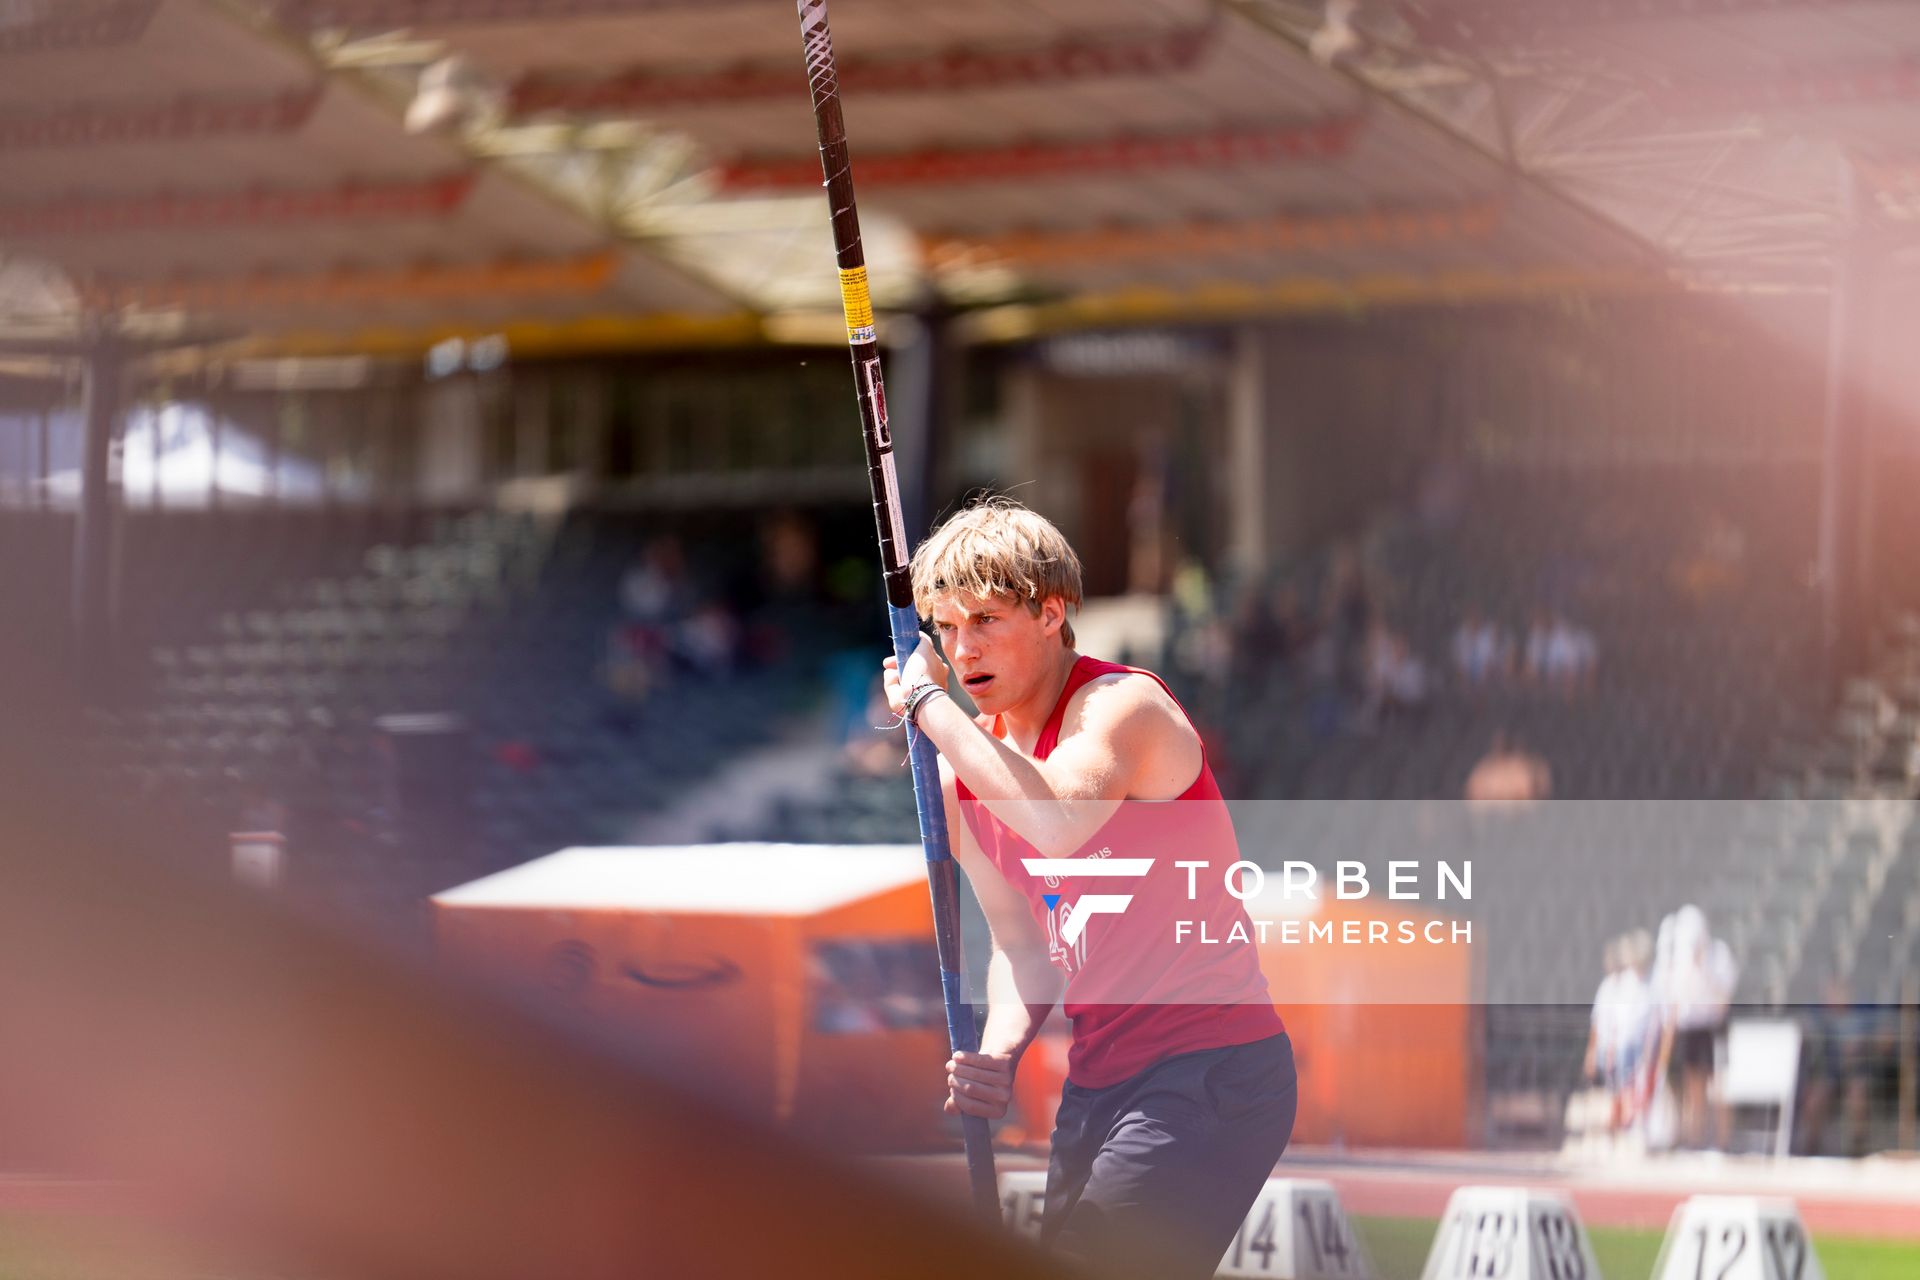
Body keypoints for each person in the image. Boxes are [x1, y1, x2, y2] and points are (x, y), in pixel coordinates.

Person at [880, 498, 1296, 1280]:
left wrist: (929, 704)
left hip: (1212, 1069)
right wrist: (1001, 1051)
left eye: (984, 621)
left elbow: (1058, 821)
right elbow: (1025, 949)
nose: (961, 649)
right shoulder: (957, 781)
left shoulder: (1122, 708)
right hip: (1099, 1081)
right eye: (944, 628)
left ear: (1051, 613)